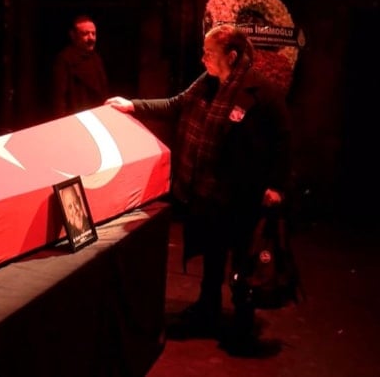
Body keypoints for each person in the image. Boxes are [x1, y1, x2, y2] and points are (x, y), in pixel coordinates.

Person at [105, 23, 291, 355]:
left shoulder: (262, 93)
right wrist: (133, 105)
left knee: (242, 259)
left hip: (242, 194)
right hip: (208, 191)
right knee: (212, 253)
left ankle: (243, 320)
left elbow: (283, 142)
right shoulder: (207, 83)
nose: (203, 58)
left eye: (209, 53)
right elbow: (176, 104)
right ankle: (207, 309)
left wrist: (277, 185)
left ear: (231, 56)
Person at [52, 15, 110, 118]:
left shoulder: (96, 58)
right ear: (73, 35)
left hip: (97, 115)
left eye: (93, 33)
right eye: (85, 34)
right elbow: (59, 97)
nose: (91, 38)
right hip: (75, 117)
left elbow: (103, 92)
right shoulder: (64, 59)